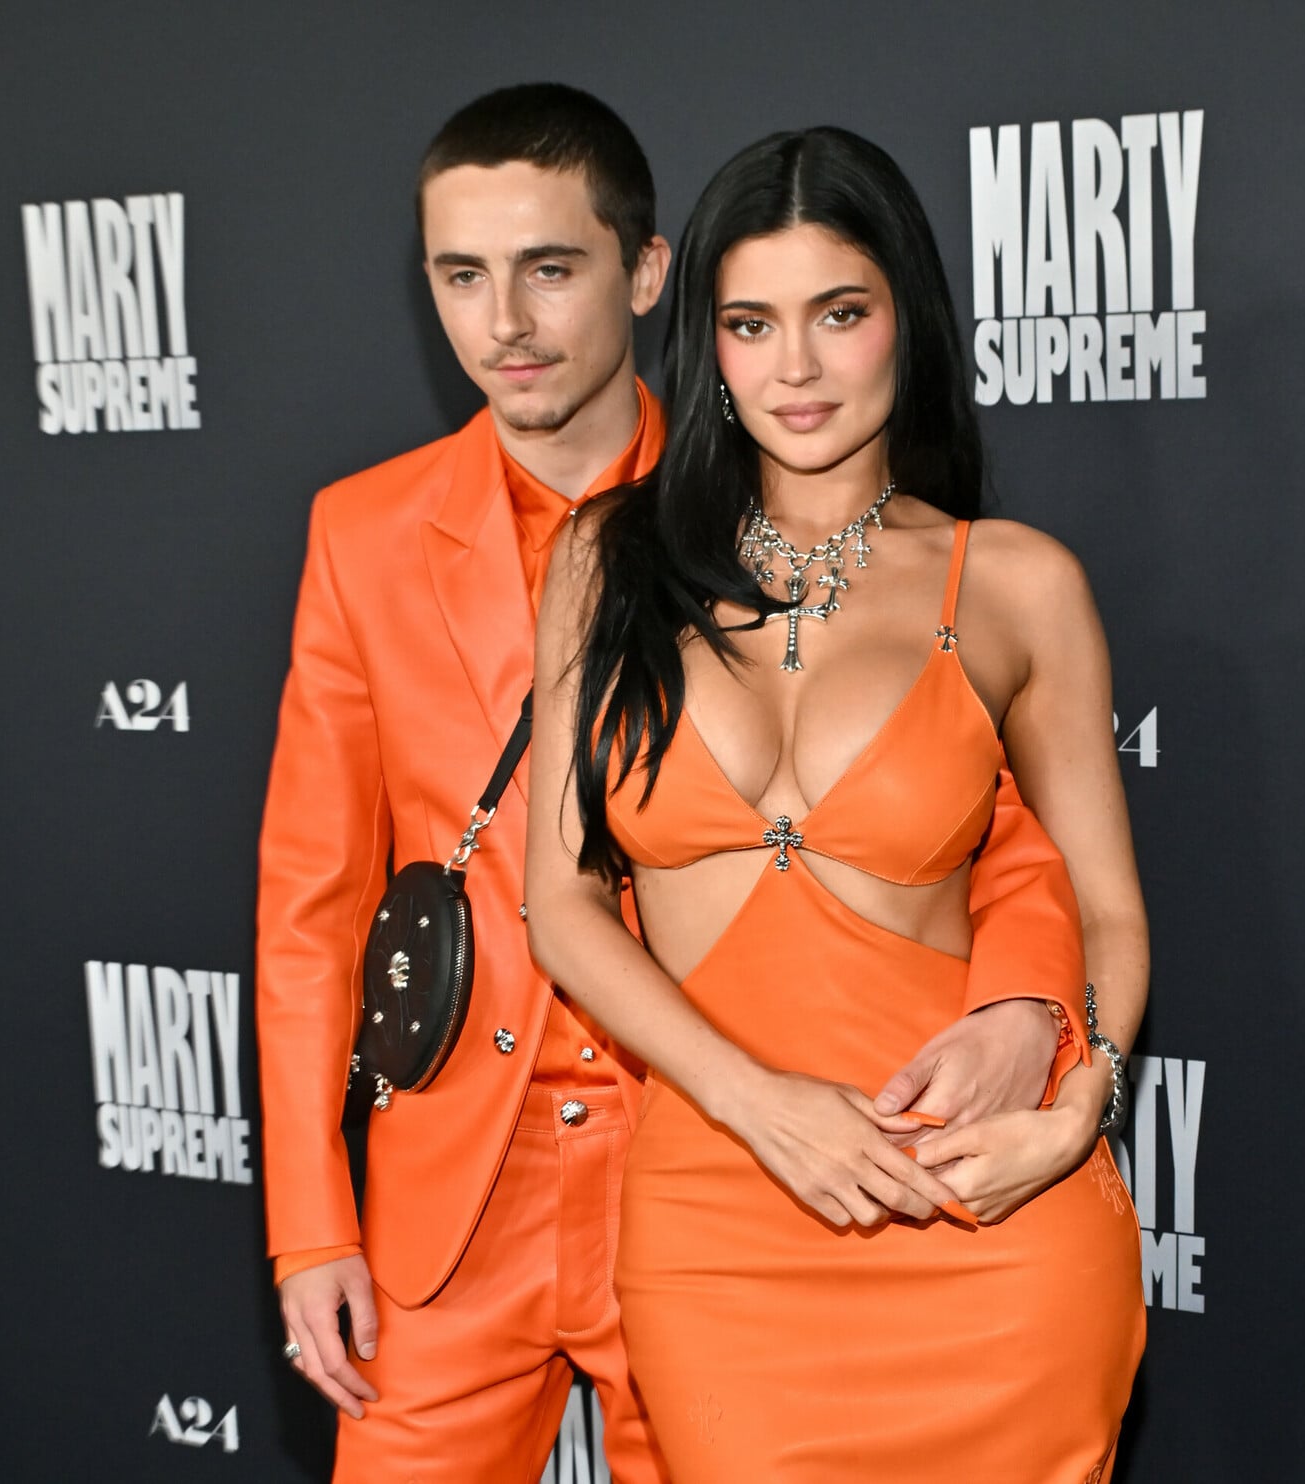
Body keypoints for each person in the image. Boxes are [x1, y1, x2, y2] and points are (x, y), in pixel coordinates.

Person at [258, 88, 1103, 1481]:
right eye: (462, 275)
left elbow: (992, 832)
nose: (507, 322)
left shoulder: (790, 498)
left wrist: (1028, 1007)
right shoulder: (363, 535)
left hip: (715, 1156)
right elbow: (312, 899)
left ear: (649, 278)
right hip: (461, 1191)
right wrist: (309, 1222)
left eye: (549, 267)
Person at [526, 126, 1148, 1481]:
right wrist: (759, 1104)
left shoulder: (1017, 583)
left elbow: (1102, 904)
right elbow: (562, 905)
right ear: (708, 343)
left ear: (906, 320)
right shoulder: (606, 560)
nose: (795, 367)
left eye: (840, 314)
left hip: (984, 1216)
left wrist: (1077, 1106)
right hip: (723, 1219)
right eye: (751, 323)